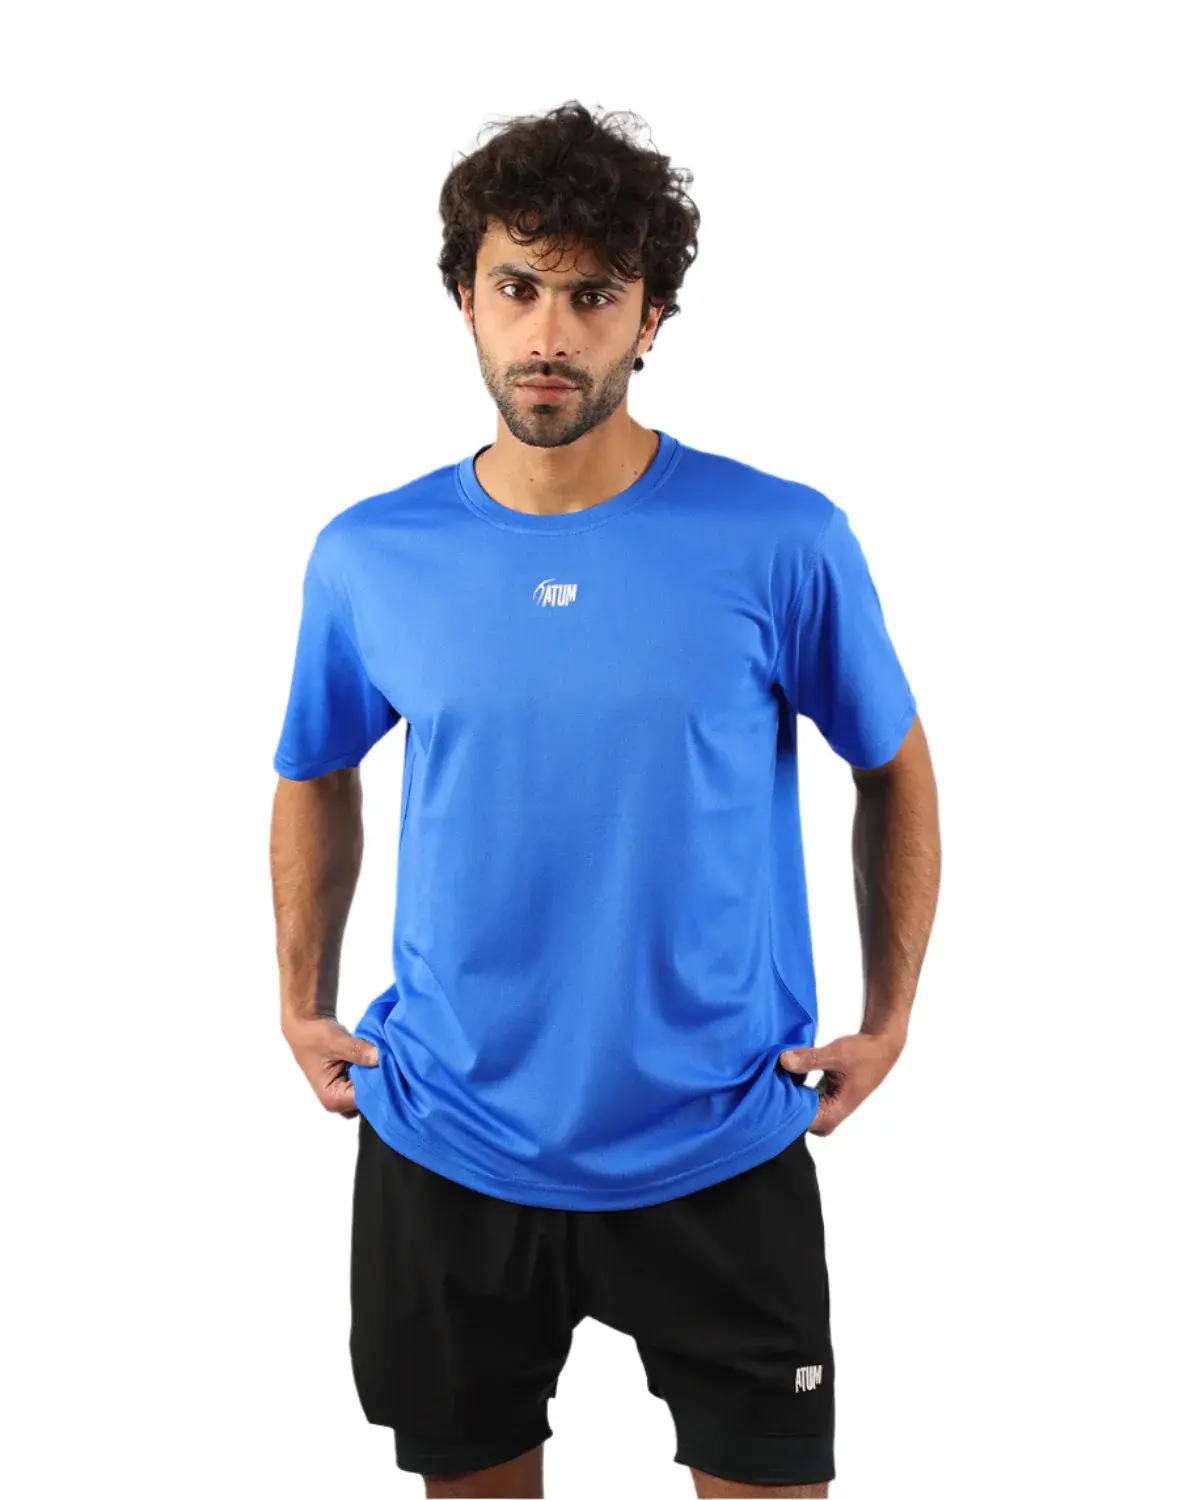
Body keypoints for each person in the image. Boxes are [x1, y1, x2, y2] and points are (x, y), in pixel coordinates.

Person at [269, 100, 941, 1500]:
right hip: (449, 1137)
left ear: (650, 320)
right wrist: (299, 999)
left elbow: (892, 766)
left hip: (719, 1135)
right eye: (518, 287)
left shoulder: (781, 538)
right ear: (465, 299)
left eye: (593, 295)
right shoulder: (370, 554)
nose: (551, 334)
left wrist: (889, 1020)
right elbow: (314, 768)